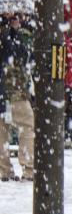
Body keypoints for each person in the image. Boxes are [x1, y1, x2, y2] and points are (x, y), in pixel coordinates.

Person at [0, 14, 34, 181]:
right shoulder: (15, 38)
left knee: (1, 134)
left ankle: (4, 171)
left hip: (6, 93)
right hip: (15, 93)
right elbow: (22, 55)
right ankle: (28, 169)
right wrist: (11, 33)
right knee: (27, 128)